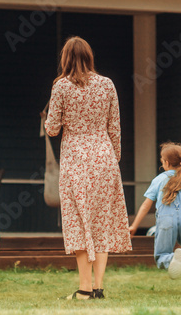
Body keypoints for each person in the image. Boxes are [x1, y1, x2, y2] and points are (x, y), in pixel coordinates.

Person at [45, 36, 131, 300]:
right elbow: (115, 127)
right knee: (100, 223)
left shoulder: (61, 87)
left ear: (65, 59)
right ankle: (99, 288)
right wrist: (113, 159)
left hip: (75, 160)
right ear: (90, 57)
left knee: (79, 223)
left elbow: (51, 128)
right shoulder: (107, 84)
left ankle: (84, 289)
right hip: (104, 159)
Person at [129, 142, 181, 295]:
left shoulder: (159, 180)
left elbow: (146, 205)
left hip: (166, 220)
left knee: (161, 255)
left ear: (165, 163)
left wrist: (134, 226)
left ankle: (171, 259)